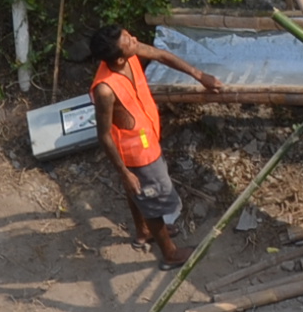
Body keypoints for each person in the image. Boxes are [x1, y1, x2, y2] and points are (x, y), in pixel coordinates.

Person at [87, 24, 224, 265]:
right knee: (153, 198)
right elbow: (104, 135)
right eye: (129, 41)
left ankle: (143, 232)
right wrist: (124, 171)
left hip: (147, 135)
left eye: (129, 35)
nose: (134, 40)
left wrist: (199, 75)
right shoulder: (105, 91)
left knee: (140, 192)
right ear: (119, 59)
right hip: (137, 152)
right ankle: (169, 254)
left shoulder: (129, 51)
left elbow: (161, 55)